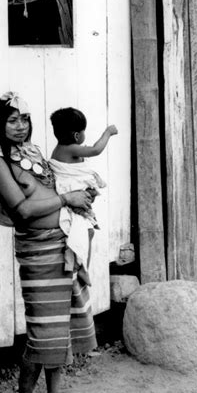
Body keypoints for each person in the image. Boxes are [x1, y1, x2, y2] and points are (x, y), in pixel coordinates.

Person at [0, 92, 97, 393]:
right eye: (12, 120)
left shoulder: (34, 153)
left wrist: (82, 196)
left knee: (60, 328)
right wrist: (67, 199)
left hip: (63, 245)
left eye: (25, 119)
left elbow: (59, 187)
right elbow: (22, 210)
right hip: (37, 253)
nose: (21, 127)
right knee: (41, 331)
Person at [49, 107, 118, 271]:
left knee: (86, 233)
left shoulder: (62, 149)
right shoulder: (70, 148)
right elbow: (95, 149)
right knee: (84, 234)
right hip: (72, 198)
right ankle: (81, 268)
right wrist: (108, 132)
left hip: (74, 195)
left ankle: (81, 267)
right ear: (76, 136)